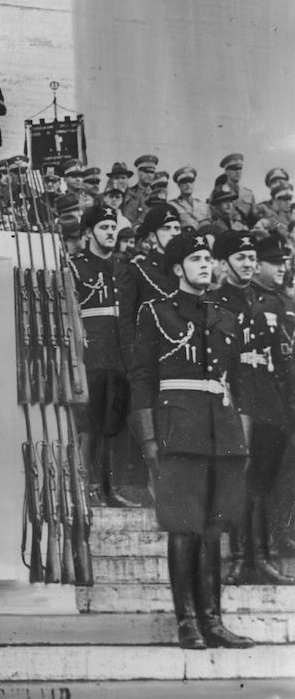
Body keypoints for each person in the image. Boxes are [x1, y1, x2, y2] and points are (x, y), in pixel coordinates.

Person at [128, 232, 254, 650]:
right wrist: (149, 441)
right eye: (196, 258)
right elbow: (142, 379)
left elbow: (237, 382)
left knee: (214, 530)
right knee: (184, 529)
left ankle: (214, 621)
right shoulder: (156, 312)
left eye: (208, 258)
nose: (205, 264)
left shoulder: (225, 315)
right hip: (178, 432)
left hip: (223, 434)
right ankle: (188, 622)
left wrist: (242, 439)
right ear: (178, 268)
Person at [207, 232, 295, 586]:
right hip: (233, 396)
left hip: (267, 399)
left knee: (262, 480)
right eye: (239, 258)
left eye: (250, 258)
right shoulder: (213, 302)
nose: (246, 264)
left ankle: (260, 559)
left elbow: (284, 359)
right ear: (224, 263)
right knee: (238, 477)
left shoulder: (271, 302)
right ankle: (241, 557)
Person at [69, 204, 138, 507]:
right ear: (87, 233)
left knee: (113, 425)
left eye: (113, 227)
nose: (110, 232)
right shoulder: (74, 266)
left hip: (119, 357)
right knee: (89, 425)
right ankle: (87, 488)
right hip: (91, 356)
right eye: (103, 227)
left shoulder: (125, 268)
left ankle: (109, 489)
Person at [117, 203, 182, 355]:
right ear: (153, 236)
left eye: (177, 228)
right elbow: (126, 321)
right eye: (166, 228)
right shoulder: (138, 271)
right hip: (151, 353)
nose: (173, 233)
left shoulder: (187, 271)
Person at [219, 153, 258, 228]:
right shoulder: (219, 192)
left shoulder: (248, 193)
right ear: (226, 172)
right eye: (234, 169)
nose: (237, 172)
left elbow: (254, 217)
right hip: (226, 230)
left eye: (240, 168)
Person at [121, 154, 159, 226]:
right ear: (138, 172)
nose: (149, 175)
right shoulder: (129, 193)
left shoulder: (156, 194)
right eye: (146, 172)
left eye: (152, 172)